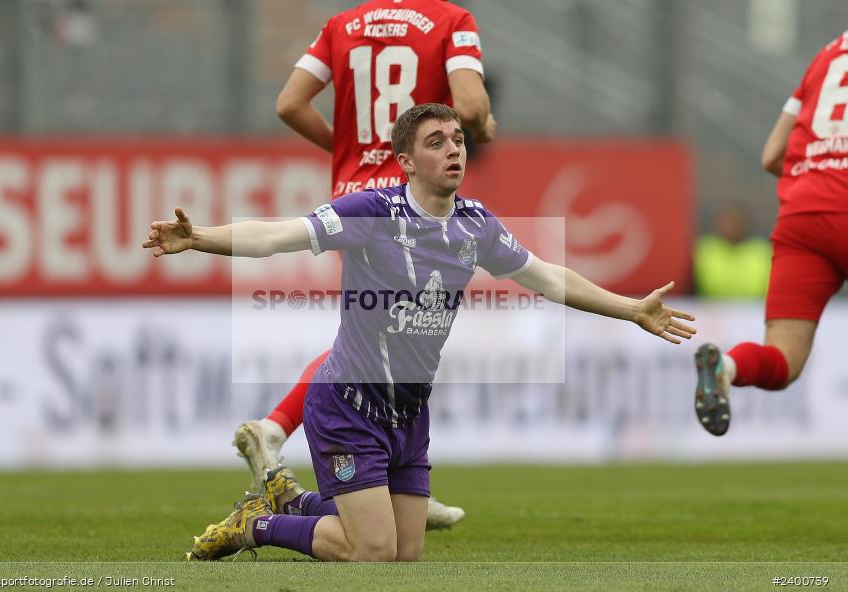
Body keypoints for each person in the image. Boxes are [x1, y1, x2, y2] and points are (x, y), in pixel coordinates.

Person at [144, 103, 696, 562]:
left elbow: (548, 277)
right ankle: (254, 525)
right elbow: (278, 237)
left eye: (458, 139)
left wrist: (630, 309)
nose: (454, 149)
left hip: (409, 412)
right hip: (347, 407)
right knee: (373, 551)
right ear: (406, 162)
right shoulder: (371, 211)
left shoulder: (476, 226)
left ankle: (287, 502)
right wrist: (202, 238)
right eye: (437, 142)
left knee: (405, 553)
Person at [239, 0, 497, 530]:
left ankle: (285, 429)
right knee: (391, 336)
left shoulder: (342, 25)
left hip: (354, 195)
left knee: (369, 334)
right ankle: (297, 436)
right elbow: (468, 107)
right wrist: (485, 125)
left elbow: (290, 104)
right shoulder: (450, 20)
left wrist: (351, 150)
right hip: (407, 197)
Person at [694, 30, 848, 436]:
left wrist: (822, 174)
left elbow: (771, 154)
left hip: (803, 215)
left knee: (783, 360)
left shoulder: (827, 53)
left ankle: (727, 367)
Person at [694, 206, 771, 299]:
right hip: (712, 310)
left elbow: (761, 287)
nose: (731, 227)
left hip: (753, 310)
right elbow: (708, 284)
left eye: (736, 222)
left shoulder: (761, 251)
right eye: (727, 222)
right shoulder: (706, 248)